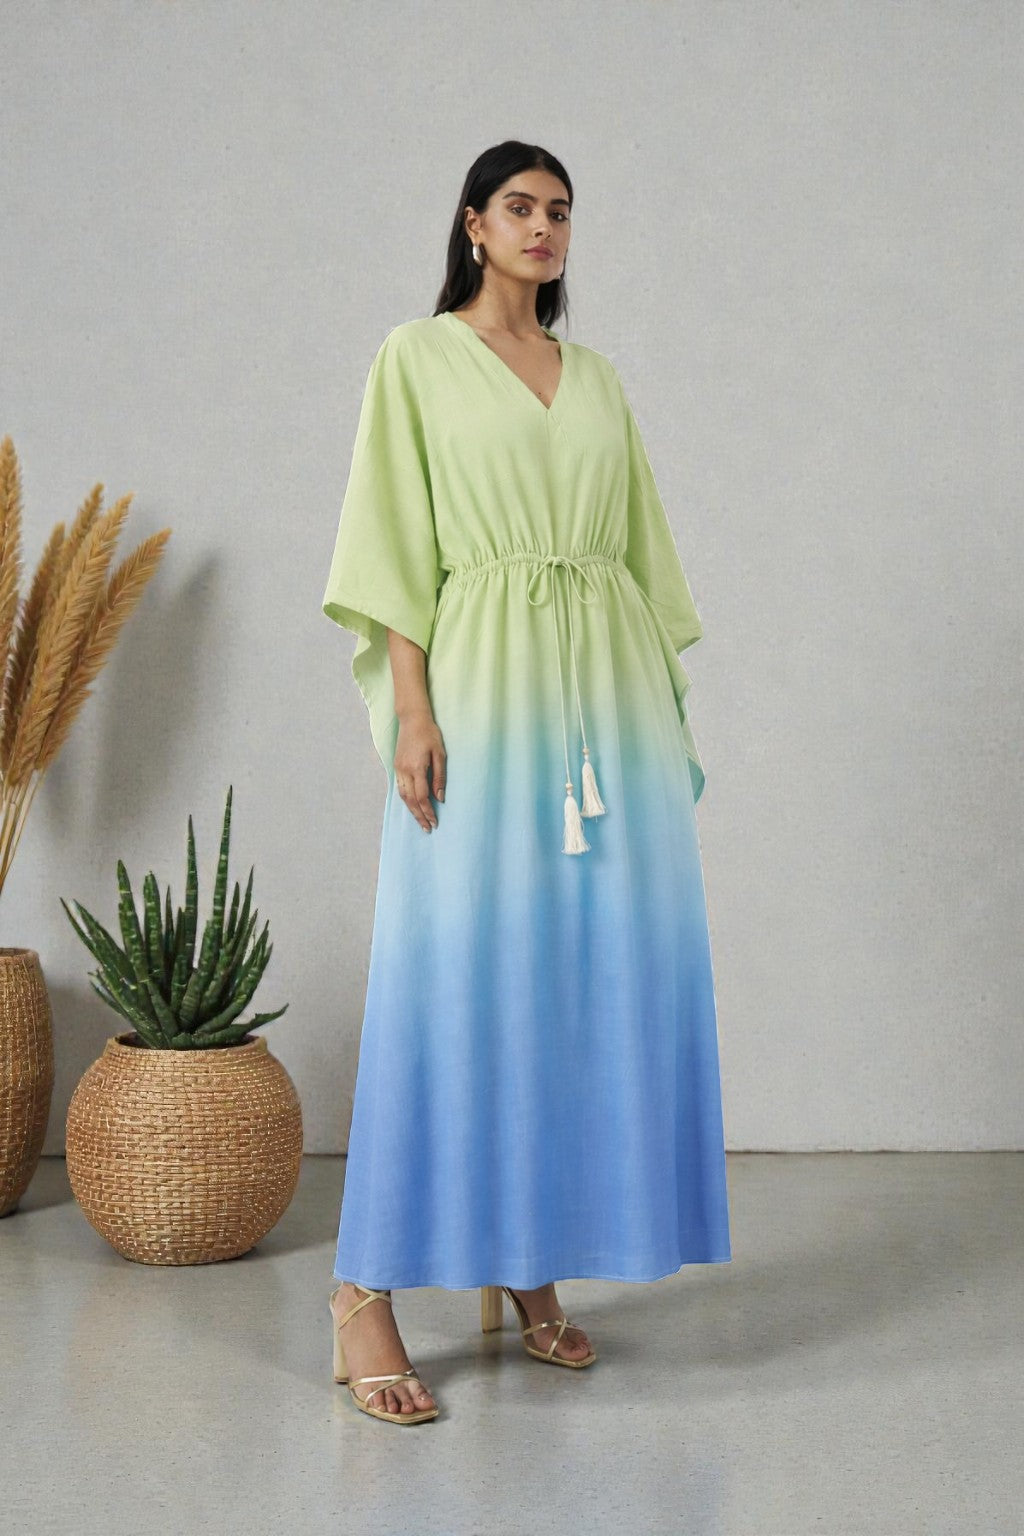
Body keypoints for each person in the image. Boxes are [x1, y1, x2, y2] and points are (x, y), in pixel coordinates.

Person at [322, 141, 731, 1425]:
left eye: (559, 210)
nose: (542, 227)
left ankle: (527, 1261)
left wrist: (650, 716)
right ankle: (362, 1294)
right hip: (484, 692)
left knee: (575, 977)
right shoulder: (414, 357)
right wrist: (413, 710)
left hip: (605, 706)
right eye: (519, 207)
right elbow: (394, 540)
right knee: (458, 977)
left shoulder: (595, 377)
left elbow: (639, 556)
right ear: (473, 225)